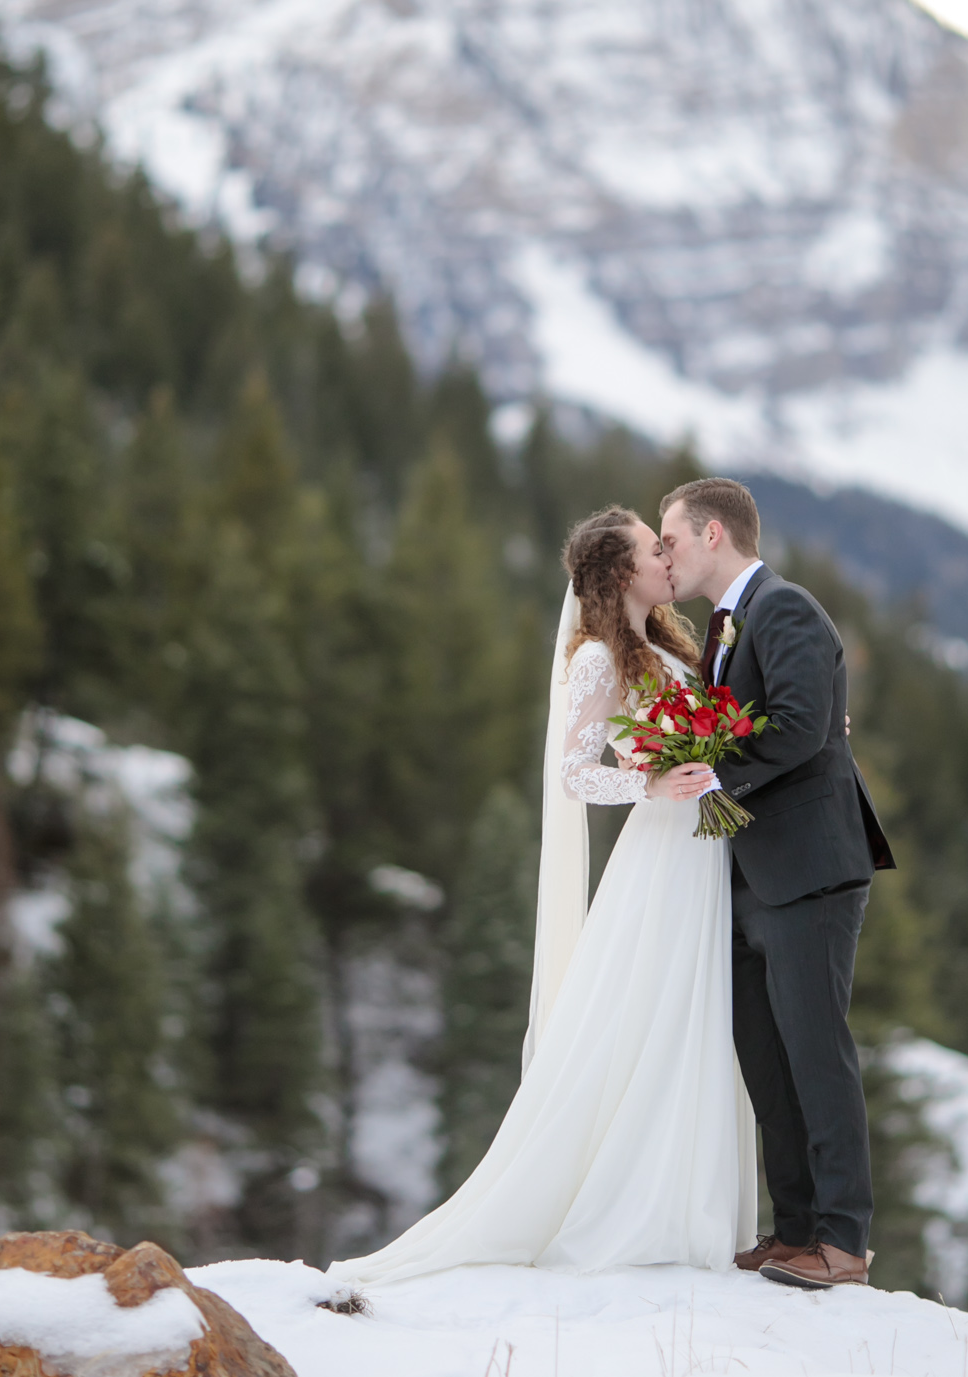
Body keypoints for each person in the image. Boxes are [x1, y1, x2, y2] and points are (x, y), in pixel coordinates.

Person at [325, 506, 757, 1288]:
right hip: (662, 853)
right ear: (621, 571)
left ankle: (690, 1201)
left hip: (704, 849)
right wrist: (649, 782)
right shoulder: (597, 658)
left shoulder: (668, 642)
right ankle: (640, 1207)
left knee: (695, 1018)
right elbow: (571, 772)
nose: (667, 558)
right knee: (656, 1016)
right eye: (650, 549)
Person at [660, 477, 894, 1290]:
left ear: (714, 533)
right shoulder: (728, 628)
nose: (666, 554)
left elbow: (800, 727)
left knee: (816, 1052)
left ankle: (843, 1243)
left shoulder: (785, 607)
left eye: (673, 539)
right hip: (752, 873)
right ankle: (794, 1229)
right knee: (767, 1056)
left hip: (809, 870)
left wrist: (705, 770)